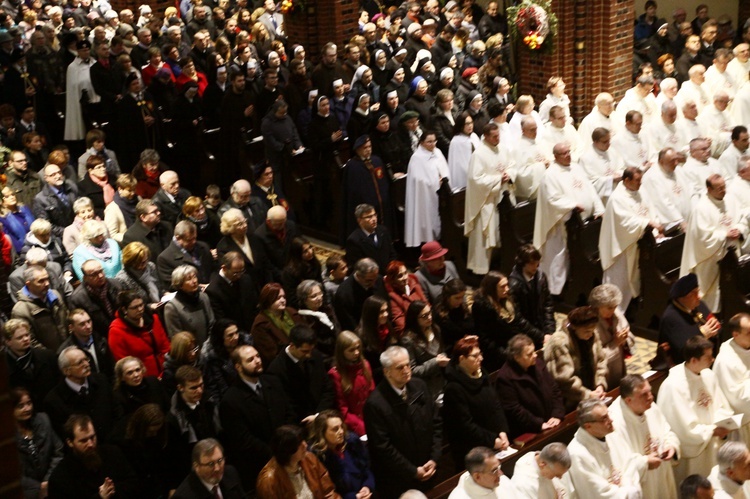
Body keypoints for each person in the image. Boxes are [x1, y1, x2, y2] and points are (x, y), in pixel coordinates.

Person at [363, 346, 442, 497]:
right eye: (400, 367)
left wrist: (434, 458)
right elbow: (383, 447)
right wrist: (413, 471)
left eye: (407, 365)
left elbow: (436, 422)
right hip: (401, 480)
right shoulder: (375, 404)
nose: (406, 370)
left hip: (429, 468)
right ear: (387, 372)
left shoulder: (420, 386)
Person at [657, 335, 736, 484]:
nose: (712, 360)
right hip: (693, 456)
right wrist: (712, 430)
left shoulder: (708, 375)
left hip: (712, 446)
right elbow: (683, 429)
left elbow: (720, 405)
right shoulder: (673, 386)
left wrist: (724, 422)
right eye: (708, 357)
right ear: (694, 360)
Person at [533, 142, 605, 295]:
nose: (568, 155)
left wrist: (599, 208)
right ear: (556, 156)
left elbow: (590, 189)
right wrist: (572, 205)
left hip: (582, 223)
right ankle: (553, 290)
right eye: (564, 153)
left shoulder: (576, 167)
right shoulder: (550, 175)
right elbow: (552, 199)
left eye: (569, 152)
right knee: (558, 258)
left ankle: (573, 284)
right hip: (560, 225)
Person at [219, 345, 294, 491]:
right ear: (238, 367)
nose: (257, 361)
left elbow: (289, 412)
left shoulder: (273, 381)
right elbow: (244, 440)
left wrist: (287, 443)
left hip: (287, 453)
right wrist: (275, 453)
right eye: (250, 359)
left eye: (257, 356)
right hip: (259, 465)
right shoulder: (231, 400)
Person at [681, 174, 747, 312]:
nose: (724, 190)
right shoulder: (701, 209)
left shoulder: (730, 199)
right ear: (709, 189)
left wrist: (739, 229)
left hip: (732, 255)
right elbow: (702, 237)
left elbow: (743, 219)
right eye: (719, 188)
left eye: (724, 187)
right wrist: (725, 234)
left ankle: (730, 312)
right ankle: (711, 317)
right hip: (710, 258)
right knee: (711, 294)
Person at [608, 374, 680, 499]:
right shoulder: (614, 423)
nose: (651, 397)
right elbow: (620, 464)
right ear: (628, 400)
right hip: (643, 484)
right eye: (644, 395)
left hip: (662, 474)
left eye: (650, 391)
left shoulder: (649, 406)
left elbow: (666, 430)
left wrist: (671, 445)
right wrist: (645, 462)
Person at [443, 335, 510, 468]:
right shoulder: (453, 389)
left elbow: (496, 404)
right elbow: (466, 426)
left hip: (496, 442)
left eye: (480, 354)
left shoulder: (481, 374)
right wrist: (492, 440)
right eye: (475, 356)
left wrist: (502, 431)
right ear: (462, 359)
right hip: (474, 452)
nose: (481, 359)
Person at [464, 122, 516, 274]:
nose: (497, 139)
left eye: (498, 135)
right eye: (494, 137)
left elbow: (512, 165)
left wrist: (509, 174)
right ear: (485, 137)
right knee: (484, 237)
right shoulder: (478, 154)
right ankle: (480, 269)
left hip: (503, 199)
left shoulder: (503, 149)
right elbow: (476, 180)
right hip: (486, 202)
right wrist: (498, 179)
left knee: (503, 234)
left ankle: (500, 265)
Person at [48, 414, 139, 498]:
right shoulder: (60, 477)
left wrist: (112, 490)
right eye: (84, 441)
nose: (90, 444)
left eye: (92, 437)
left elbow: (133, 483)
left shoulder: (113, 453)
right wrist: (100, 497)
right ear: (70, 442)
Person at [565, 400, 642, 498]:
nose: (611, 420)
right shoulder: (577, 454)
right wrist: (627, 493)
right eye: (604, 418)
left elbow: (630, 463)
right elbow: (596, 492)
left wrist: (630, 488)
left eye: (608, 414)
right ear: (588, 426)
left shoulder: (611, 435)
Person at [496, 334, 565, 438]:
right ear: (517, 357)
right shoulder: (505, 378)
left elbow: (554, 389)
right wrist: (538, 424)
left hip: (552, 421)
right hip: (531, 431)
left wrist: (557, 414)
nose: (535, 355)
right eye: (529, 354)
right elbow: (514, 409)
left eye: (534, 351)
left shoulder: (538, 363)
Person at [472, 271, 544, 371]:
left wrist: (541, 337)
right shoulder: (482, 306)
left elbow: (521, 322)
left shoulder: (507, 299)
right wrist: (508, 356)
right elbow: (486, 340)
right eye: (502, 286)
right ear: (492, 288)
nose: (507, 289)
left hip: (513, 344)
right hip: (498, 354)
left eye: (507, 285)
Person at [266, 324, 336, 424]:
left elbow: (327, 388)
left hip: (322, 415)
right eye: (305, 351)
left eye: (311, 350)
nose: (309, 355)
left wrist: (318, 415)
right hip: (300, 423)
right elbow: (287, 406)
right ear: (292, 346)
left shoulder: (315, 355)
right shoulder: (276, 370)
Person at [544, 306, 608, 411]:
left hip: (591, 391)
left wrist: (600, 385)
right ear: (574, 327)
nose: (590, 334)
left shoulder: (592, 334)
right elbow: (564, 379)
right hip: (569, 400)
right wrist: (587, 394)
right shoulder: (559, 342)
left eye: (592, 330)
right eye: (586, 331)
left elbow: (601, 360)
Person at [44, 347, 116, 439]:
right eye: (80, 363)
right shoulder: (54, 401)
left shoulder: (101, 381)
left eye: (86, 359)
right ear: (67, 371)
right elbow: (63, 435)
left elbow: (116, 410)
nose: (86, 364)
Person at [166, 366, 220, 480]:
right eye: (193, 388)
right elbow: (177, 455)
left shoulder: (209, 401)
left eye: (201, 385)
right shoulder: (174, 418)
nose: (200, 391)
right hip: (194, 469)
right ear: (181, 388)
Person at [256, 425, 340, 499]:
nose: (305, 445)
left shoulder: (309, 458)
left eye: (303, 440)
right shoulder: (269, 480)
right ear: (288, 450)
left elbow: (328, 493)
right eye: (299, 444)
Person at [11, 386, 63, 499]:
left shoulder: (43, 420)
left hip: (52, 483)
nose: (27, 408)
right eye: (21, 406)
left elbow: (58, 451)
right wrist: (38, 487)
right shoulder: (8, 438)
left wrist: (47, 481)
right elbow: (12, 472)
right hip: (27, 492)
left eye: (29, 403)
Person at [309, 410, 375, 499]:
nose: (341, 432)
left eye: (341, 427)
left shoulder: (352, 442)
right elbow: (326, 492)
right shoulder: (316, 456)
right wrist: (354, 497)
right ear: (322, 432)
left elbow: (367, 469)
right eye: (335, 429)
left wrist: (367, 486)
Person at [658, 273, 720, 366]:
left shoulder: (700, 305)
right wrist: (702, 335)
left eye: (697, 292)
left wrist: (715, 329)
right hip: (686, 366)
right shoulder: (671, 318)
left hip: (709, 358)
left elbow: (717, 326)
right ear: (682, 298)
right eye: (693, 294)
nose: (698, 297)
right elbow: (682, 352)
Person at [108, 290, 171, 378]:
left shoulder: (153, 319)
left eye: (141, 305)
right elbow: (125, 364)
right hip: (143, 378)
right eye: (135, 307)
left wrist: (167, 370)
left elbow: (165, 346)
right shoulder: (116, 331)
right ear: (124, 310)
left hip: (166, 371)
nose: (140, 309)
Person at [404, 131, 449, 248]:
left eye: (434, 141)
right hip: (426, 195)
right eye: (429, 142)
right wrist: (435, 182)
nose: (433, 144)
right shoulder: (416, 158)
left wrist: (443, 178)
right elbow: (418, 179)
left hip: (441, 193)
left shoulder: (437, 152)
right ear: (422, 142)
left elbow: (445, 170)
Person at [711, 313, 750, 444]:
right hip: (741, 424)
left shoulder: (746, 346)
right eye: (749, 332)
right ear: (735, 334)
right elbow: (737, 399)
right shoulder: (726, 361)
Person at [5, 319, 61, 408]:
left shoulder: (47, 356)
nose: (26, 339)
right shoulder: (4, 368)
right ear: (8, 342)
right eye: (20, 337)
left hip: (53, 407)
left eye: (27, 335)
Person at [11, 265, 68, 352]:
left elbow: (66, 318)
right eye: (41, 281)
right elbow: (30, 341)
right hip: (48, 359)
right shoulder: (20, 310)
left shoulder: (55, 295)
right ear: (28, 284)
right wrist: (50, 357)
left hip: (68, 350)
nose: (47, 283)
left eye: (47, 279)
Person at [589, 284, 635, 390]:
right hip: (599, 375)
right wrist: (615, 343)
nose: (613, 310)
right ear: (597, 306)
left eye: (615, 306)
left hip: (618, 367)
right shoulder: (589, 324)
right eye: (609, 308)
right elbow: (593, 357)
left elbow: (631, 338)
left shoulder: (616, 314)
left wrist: (625, 340)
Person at [508, 244, 556, 341]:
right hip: (523, 334)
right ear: (522, 263)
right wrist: (540, 336)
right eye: (532, 263)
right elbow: (517, 318)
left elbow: (548, 304)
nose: (536, 266)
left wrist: (549, 331)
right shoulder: (514, 285)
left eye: (537, 263)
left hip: (541, 328)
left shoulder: (541, 277)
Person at [172, 438, 246, 499]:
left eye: (220, 461)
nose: (217, 468)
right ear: (196, 466)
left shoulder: (230, 473)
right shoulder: (183, 496)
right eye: (210, 464)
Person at [251, 283, 303, 367]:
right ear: (268, 300)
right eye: (278, 298)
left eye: (284, 297)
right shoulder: (261, 325)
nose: (283, 300)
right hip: (283, 364)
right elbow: (271, 355)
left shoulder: (291, 312)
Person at [205, 251, 260, 332]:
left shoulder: (246, 279)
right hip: (235, 332)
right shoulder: (213, 290)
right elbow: (221, 319)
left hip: (253, 327)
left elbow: (254, 304)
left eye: (242, 271)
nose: (239, 275)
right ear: (224, 268)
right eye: (236, 273)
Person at [216, 208, 271, 288]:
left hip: (264, 283)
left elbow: (265, 262)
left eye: (245, 221)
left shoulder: (254, 238)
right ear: (231, 228)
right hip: (243, 288)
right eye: (240, 224)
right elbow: (229, 272)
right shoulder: (223, 247)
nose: (245, 225)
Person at [164, 265, 215, 344]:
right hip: (190, 350)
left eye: (194, 277)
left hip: (209, 345)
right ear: (180, 285)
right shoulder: (172, 307)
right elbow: (177, 337)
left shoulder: (203, 297)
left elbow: (212, 322)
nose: (194, 281)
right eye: (189, 279)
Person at [157, 220, 215, 289]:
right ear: (178, 238)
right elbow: (172, 285)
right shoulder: (165, 258)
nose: (194, 242)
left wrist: (211, 285)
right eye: (189, 240)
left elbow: (214, 268)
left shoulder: (203, 246)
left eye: (195, 238)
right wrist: (201, 288)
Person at [335, 258, 387, 332]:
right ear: (358, 275)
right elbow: (350, 325)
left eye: (375, 278)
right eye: (369, 281)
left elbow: (386, 302)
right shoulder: (344, 294)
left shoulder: (377, 279)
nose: (373, 284)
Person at [343, 204, 398, 274]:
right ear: (359, 220)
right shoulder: (354, 240)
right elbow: (357, 267)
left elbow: (392, 254)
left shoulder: (383, 231)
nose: (374, 219)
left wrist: (391, 270)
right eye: (369, 217)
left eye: (375, 215)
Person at [112, 356, 168, 423]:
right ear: (122, 377)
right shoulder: (119, 396)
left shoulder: (153, 382)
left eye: (138, 370)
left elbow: (167, 405)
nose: (136, 375)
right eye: (130, 373)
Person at [447, 446, 516, 498]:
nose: (500, 473)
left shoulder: (502, 481)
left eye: (498, 467)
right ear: (477, 476)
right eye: (494, 470)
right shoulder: (459, 497)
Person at [296, 280, 340, 361]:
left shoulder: (327, 309)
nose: (319, 298)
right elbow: (316, 345)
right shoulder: (303, 319)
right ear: (304, 300)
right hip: (324, 359)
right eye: (314, 296)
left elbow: (338, 328)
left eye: (320, 293)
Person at [32, 163, 78, 239]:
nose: (58, 176)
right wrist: (68, 232)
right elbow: (46, 225)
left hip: (79, 229)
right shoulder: (40, 199)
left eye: (59, 173)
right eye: (53, 175)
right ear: (46, 178)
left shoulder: (71, 186)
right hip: (60, 237)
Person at [114, 242, 163, 309]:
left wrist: (165, 293)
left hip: (161, 305)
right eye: (140, 263)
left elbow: (160, 288)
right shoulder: (122, 279)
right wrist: (149, 306)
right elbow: (129, 305)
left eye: (145, 261)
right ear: (130, 262)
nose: (145, 265)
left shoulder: (151, 266)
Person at [385, 260, 428, 336]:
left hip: (427, 325)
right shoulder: (392, 297)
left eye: (405, 273)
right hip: (412, 334)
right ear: (392, 280)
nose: (405, 277)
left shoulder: (414, 284)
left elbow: (427, 305)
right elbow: (401, 325)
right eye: (400, 276)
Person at [281, 237, 323, 308]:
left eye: (310, 247)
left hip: (317, 299)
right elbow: (293, 298)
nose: (310, 252)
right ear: (298, 254)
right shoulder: (290, 272)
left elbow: (321, 284)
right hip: (302, 306)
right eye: (305, 251)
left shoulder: (314, 263)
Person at [162, 331, 202, 396]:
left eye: (194, 349)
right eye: (188, 351)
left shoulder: (199, 361)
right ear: (179, 352)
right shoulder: (169, 374)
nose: (193, 354)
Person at [77, 155, 116, 220]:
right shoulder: (83, 186)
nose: (103, 169)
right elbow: (87, 207)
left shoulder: (113, 179)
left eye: (103, 166)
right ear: (91, 171)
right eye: (99, 167)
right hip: (99, 218)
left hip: (117, 213)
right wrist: (108, 213)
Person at [0, 185, 37, 253]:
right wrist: (26, 250)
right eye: (7, 196)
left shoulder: (24, 208)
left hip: (38, 241)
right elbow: (12, 239)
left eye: (13, 194)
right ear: (2, 202)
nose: (12, 197)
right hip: (24, 250)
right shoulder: (3, 218)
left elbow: (36, 224)